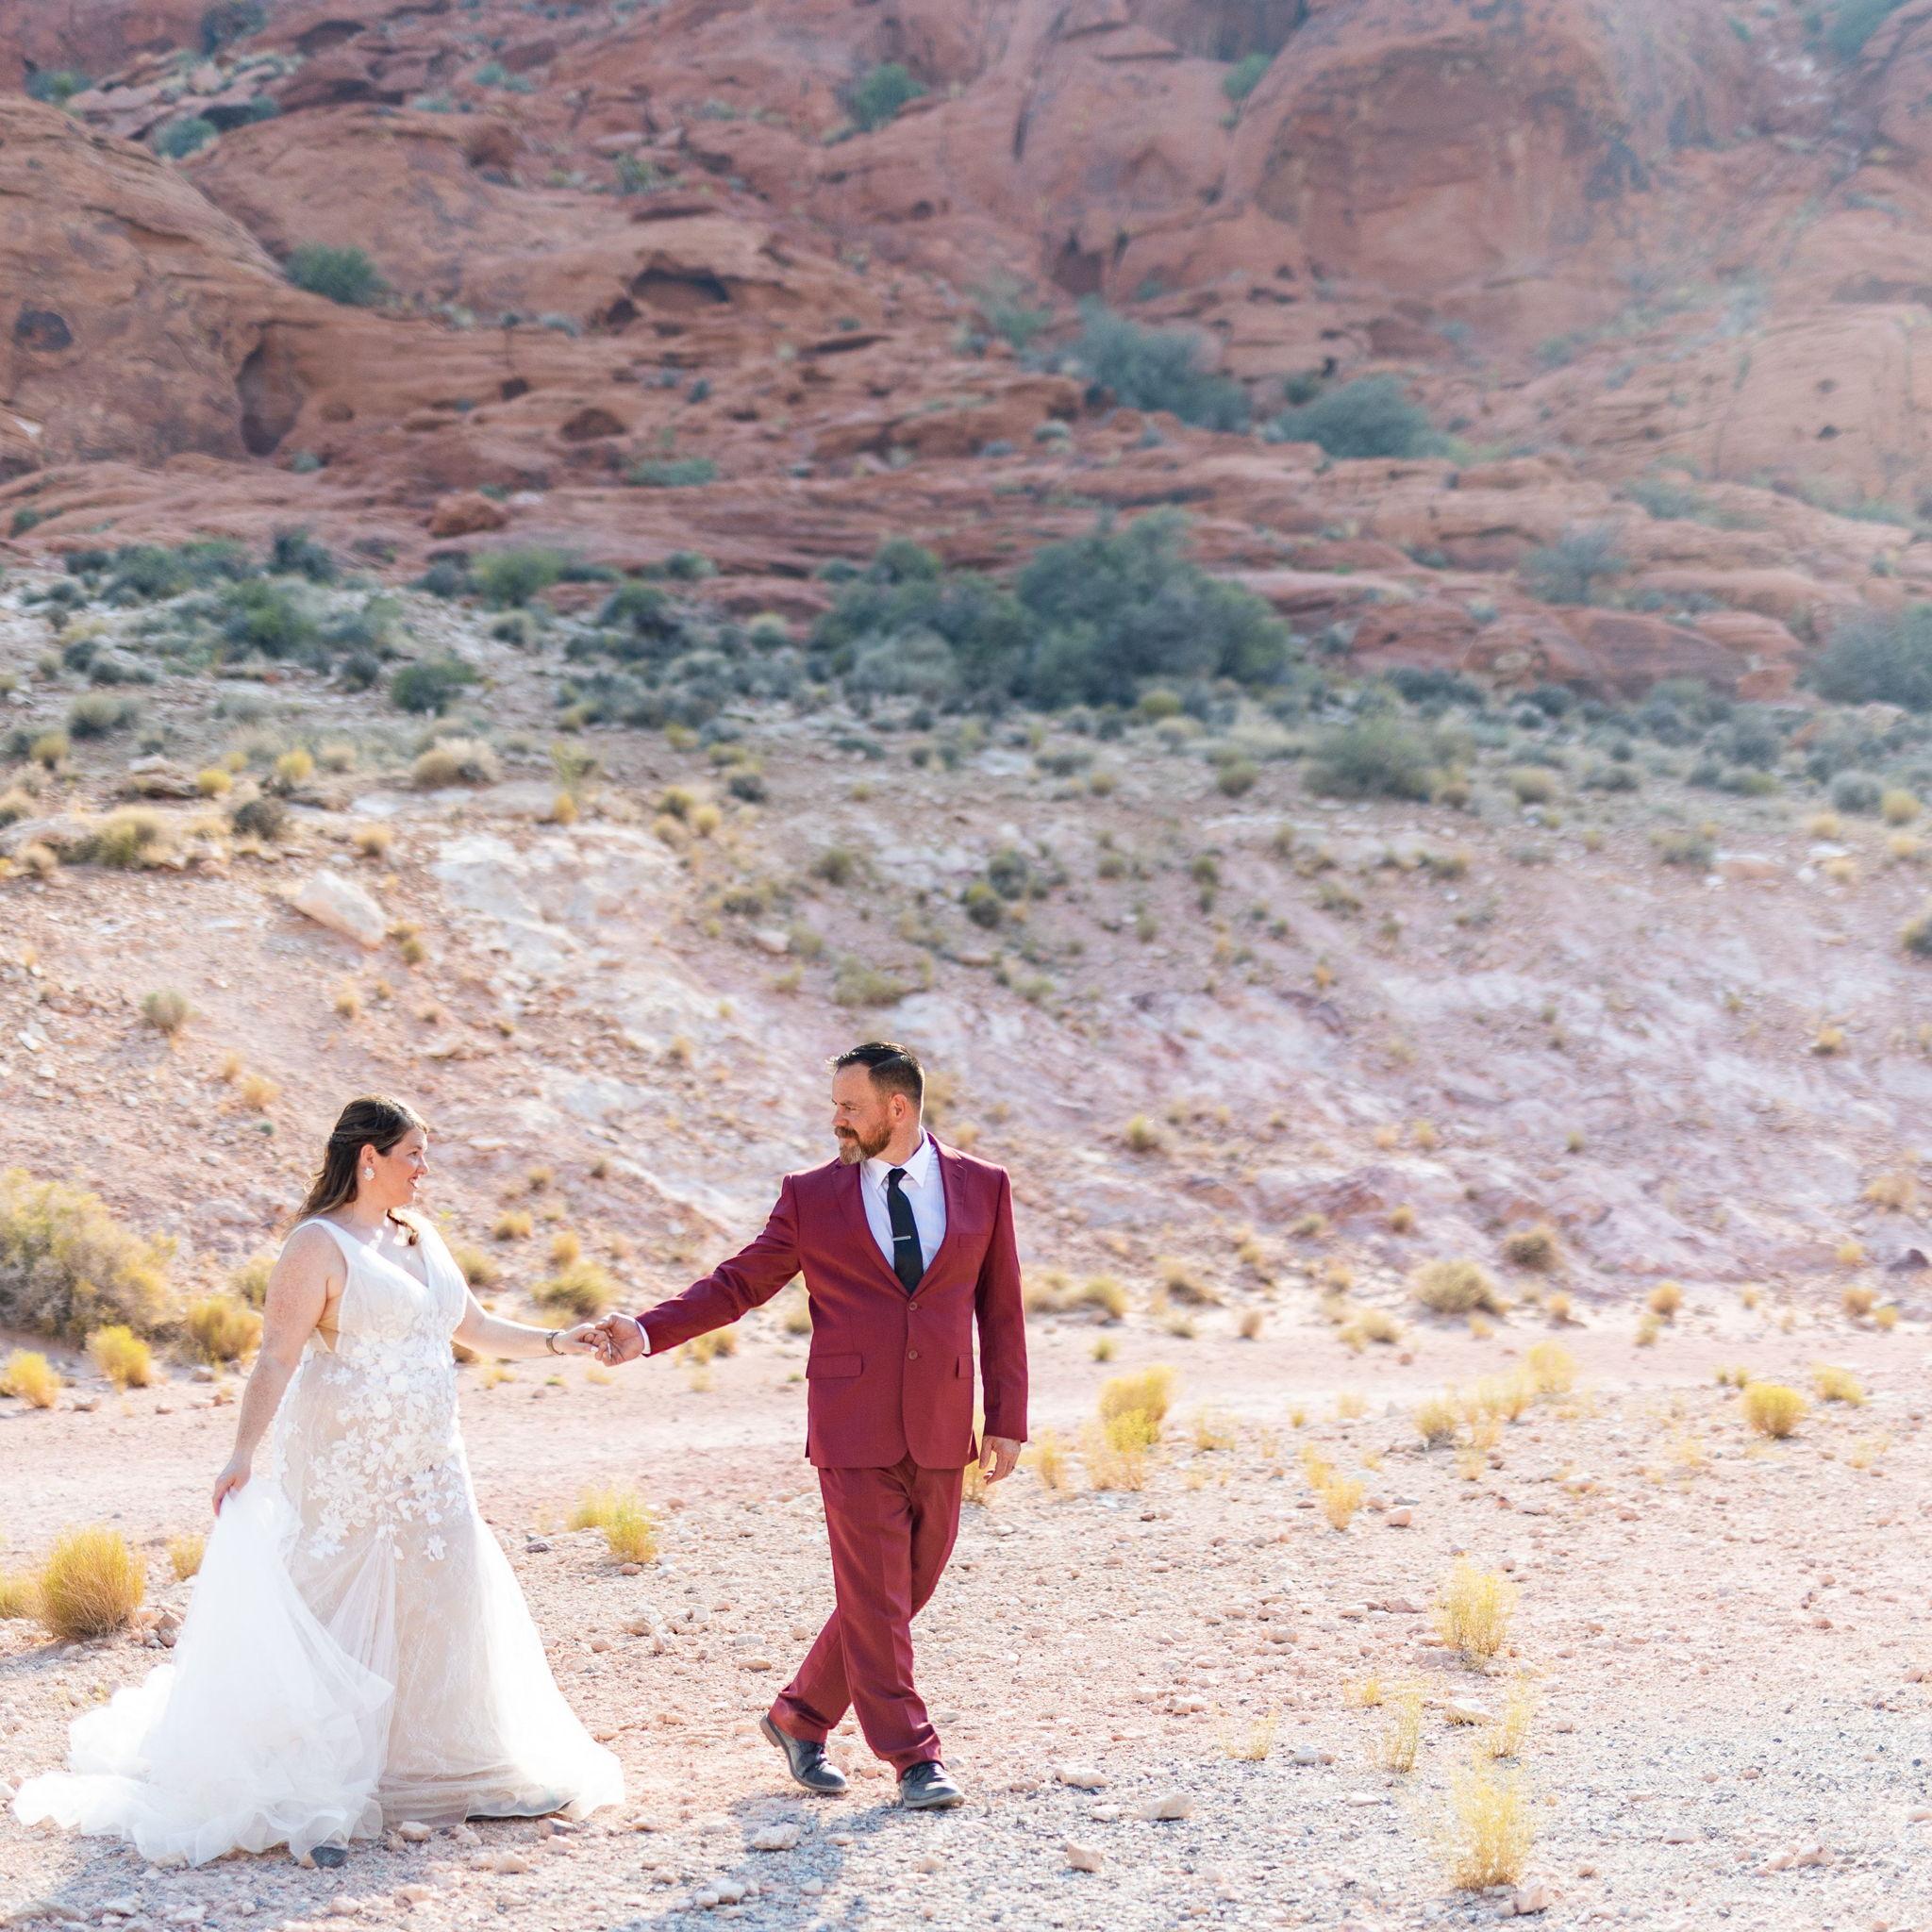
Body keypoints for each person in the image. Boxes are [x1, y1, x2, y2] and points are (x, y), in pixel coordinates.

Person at [13, 1095, 623, 1867]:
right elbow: (277, 1357)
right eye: (413, 1155)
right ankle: (319, 1781)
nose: (424, 1170)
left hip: (433, 1468)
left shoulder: (420, 1236)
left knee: (444, 1603)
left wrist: (557, 1340)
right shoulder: (317, 1246)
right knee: (337, 1608)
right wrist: (241, 1454)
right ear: (368, 1158)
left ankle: (448, 1772)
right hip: (348, 1473)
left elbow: (470, 1327)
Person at [593, 1041, 1027, 1811]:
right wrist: (650, 1330)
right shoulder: (810, 1196)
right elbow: (739, 1285)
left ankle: (799, 1716)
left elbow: (1000, 1307)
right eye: (834, 1105)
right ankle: (914, 1758)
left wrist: (1008, 1419)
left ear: (898, 1109)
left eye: (849, 1106)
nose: (836, 1120)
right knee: (879, 1597)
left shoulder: (982, 1187)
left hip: (941, 1419)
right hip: (851, 1423)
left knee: (900, 1590)